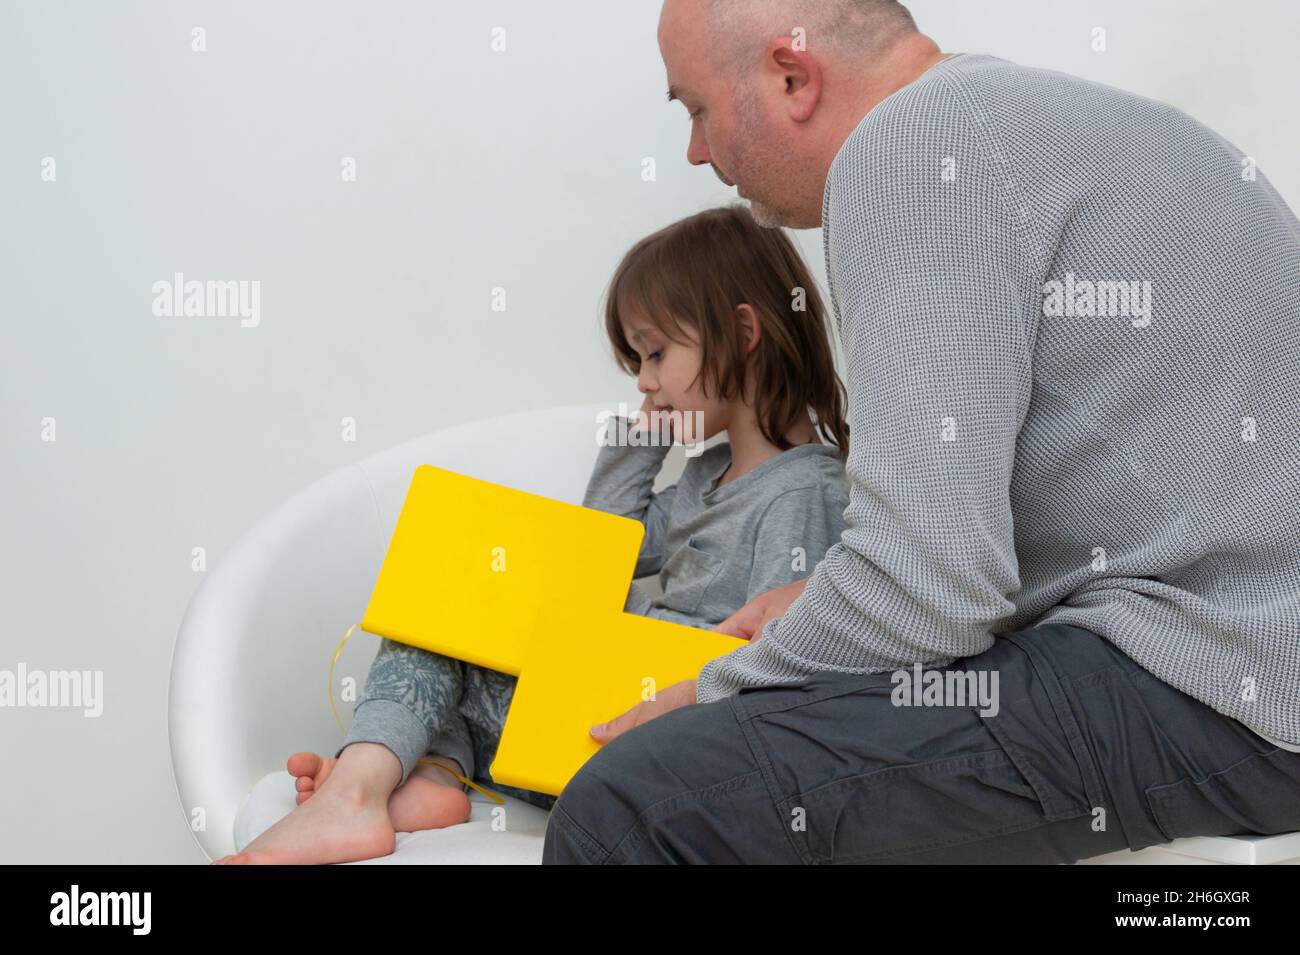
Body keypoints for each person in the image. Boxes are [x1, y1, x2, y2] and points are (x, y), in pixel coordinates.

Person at [541, 0, 1300, 864]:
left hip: (1225, 682)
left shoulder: (911, 150)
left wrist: (715, 691)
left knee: (637, 805)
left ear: (792, 76)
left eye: (696, 109)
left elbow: (930, 588)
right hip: (1241, 651)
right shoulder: (1044, 121)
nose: (697, 151)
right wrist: (823, 604)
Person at [213, 205, 853, 864]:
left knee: (445, 609)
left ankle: (358, 789)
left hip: (656, 746)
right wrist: (642, 439)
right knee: (454, 607)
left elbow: (776, 668)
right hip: (594, 724)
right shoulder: (709, 473)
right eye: (638, 359)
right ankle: (429, 773)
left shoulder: (805, 491)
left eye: (657, 352)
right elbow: (604, 550)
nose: (644, 380)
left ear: (744, 332)